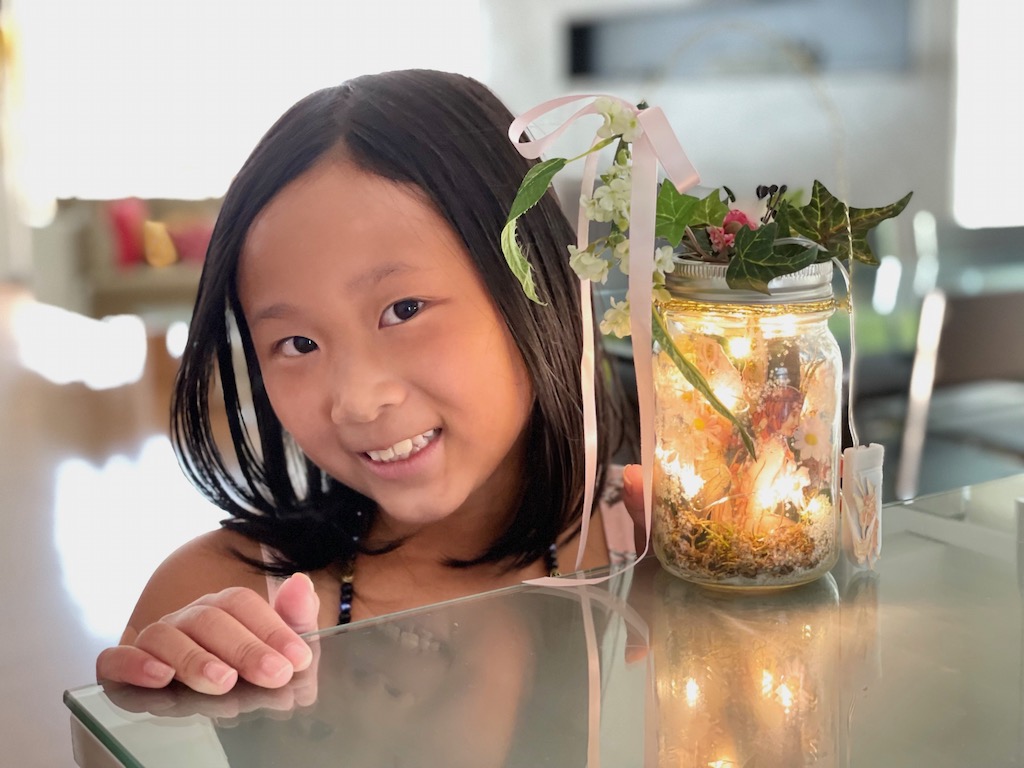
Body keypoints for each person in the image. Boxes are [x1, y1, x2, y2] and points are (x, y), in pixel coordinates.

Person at [96, 69, 646, 696]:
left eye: (404, 310)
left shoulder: (667, 542)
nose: (357, 399)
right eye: (298, 344)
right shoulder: (227, 609)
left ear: (534, 284)